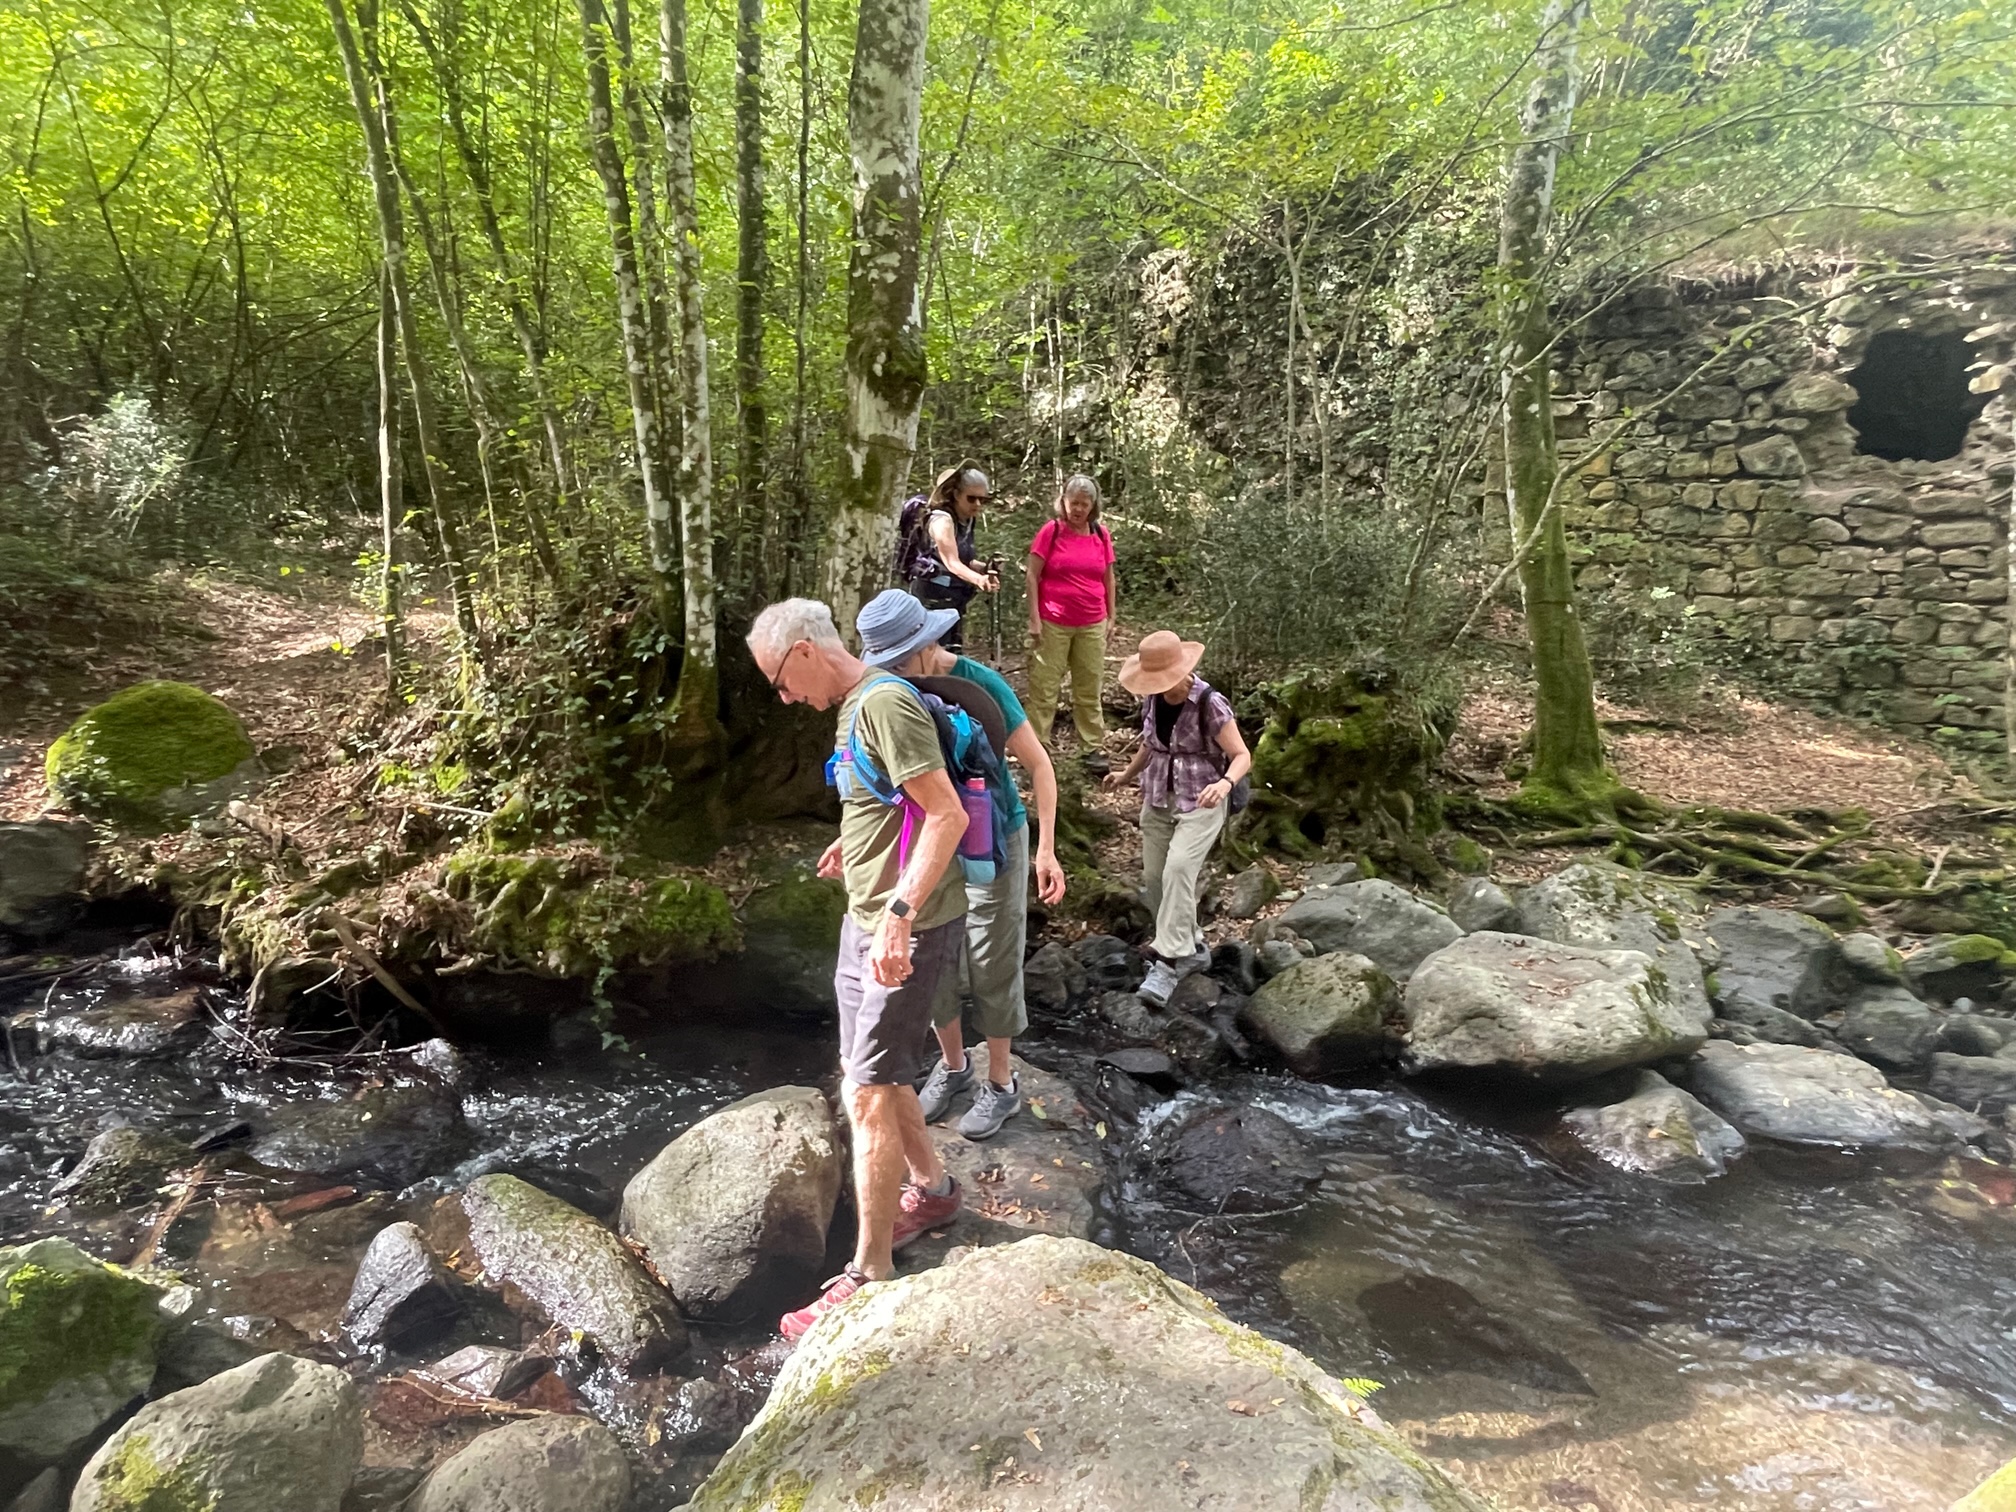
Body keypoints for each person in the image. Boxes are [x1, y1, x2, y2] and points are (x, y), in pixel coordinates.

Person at [748, 597, 968, 1340]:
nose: (783, 698)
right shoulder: (851, 711)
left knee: (868, 1091)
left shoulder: (884, 703)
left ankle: (869, 1272)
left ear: (806, 650)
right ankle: (933, 1192)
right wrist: (858, 844)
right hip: (866, 917)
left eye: (779, 681)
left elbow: (946, 815)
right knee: (869, 1072)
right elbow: (890, 801)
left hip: (904, 925)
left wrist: (901, 914)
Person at [855, 589, 1068, 1140]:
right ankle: (954, 1068)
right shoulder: (891, 693)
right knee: (934, 960)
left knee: (993, 957)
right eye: (888, 664)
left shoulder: (980, 684)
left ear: (928, 643)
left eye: (903, 660)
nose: (896, 672)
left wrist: (1046, 850)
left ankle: (1002, 1086)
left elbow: (1040, 766)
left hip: (996, 835)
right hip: (929, 840)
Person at [1104, 630, 1252, 1008]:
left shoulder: (1210, 703)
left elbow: (1241, 755)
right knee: (1155, 878)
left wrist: (1225, 783)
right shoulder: (1153, 700)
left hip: (1201, 800)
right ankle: (1194, 946)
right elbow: (1149, 745)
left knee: (1179, 870)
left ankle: (1167, 963)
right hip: (1157, 796)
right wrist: (1125, 775)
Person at [1026, 474, 1117, 773]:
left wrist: (1112, 615)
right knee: (1045, 685)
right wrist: (1035, 620)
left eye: (1084, 503)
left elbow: (1108, 577)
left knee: (1089, 686)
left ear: (1093, 505)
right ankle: (1037, 746)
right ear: (1063, 502)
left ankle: (1091, 748)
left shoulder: (1100, 535)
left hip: (1092, 621)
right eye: (1073, 502)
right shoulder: (1051, 531)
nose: (1078, 509)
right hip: (1053, 620)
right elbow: (1032, 575)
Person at [907, 463, 999, 653]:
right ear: (956, 495)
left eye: (983, 499)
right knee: (930, 657)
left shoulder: (967, 519)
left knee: (951, 654)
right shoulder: (942, 521)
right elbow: (951, 562)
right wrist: (979, 579)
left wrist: (985, 568)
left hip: (954, 600)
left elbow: (965, 560)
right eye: (971, 498)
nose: (978, 504)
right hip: (932, 600)